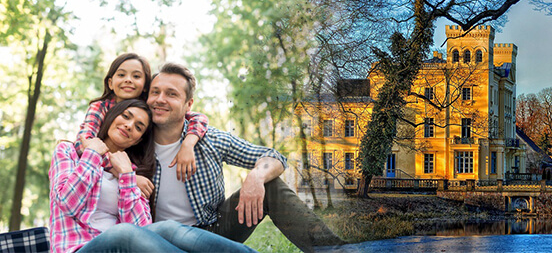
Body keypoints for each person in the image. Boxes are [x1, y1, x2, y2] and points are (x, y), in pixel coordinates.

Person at [147, 62, 343, 252]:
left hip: (212, 233)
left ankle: (335, 251)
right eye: (155, 92)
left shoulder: (211, 141)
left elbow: (273, 157)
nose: (160, 99)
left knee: (270, 185)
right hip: (156, 241)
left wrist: (256, 177)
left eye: (171, 94)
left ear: (188, 105)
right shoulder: (133, 141)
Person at [48, 99, 255, 253]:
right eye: (126, 116)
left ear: (138, 140)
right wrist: (93, 153)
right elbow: (68, 203)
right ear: (112, 117)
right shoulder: (69, 152)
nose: (129, 126)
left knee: (167, 227)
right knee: (123, 234)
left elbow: (143, 231)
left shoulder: (133, 173)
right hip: (76, 248)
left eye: (138, 127)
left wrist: (127, 176)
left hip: (121, 245)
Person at [76, 53, 208, 195]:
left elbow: (198, 118)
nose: (128, 80)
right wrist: (124, 173)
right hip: (94, 171)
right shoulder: (101, 107)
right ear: (110, 83)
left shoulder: (148, 110)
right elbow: (83, 144)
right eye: (121, 75)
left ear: (145, 86)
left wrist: (188, 144)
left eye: (136, 76)